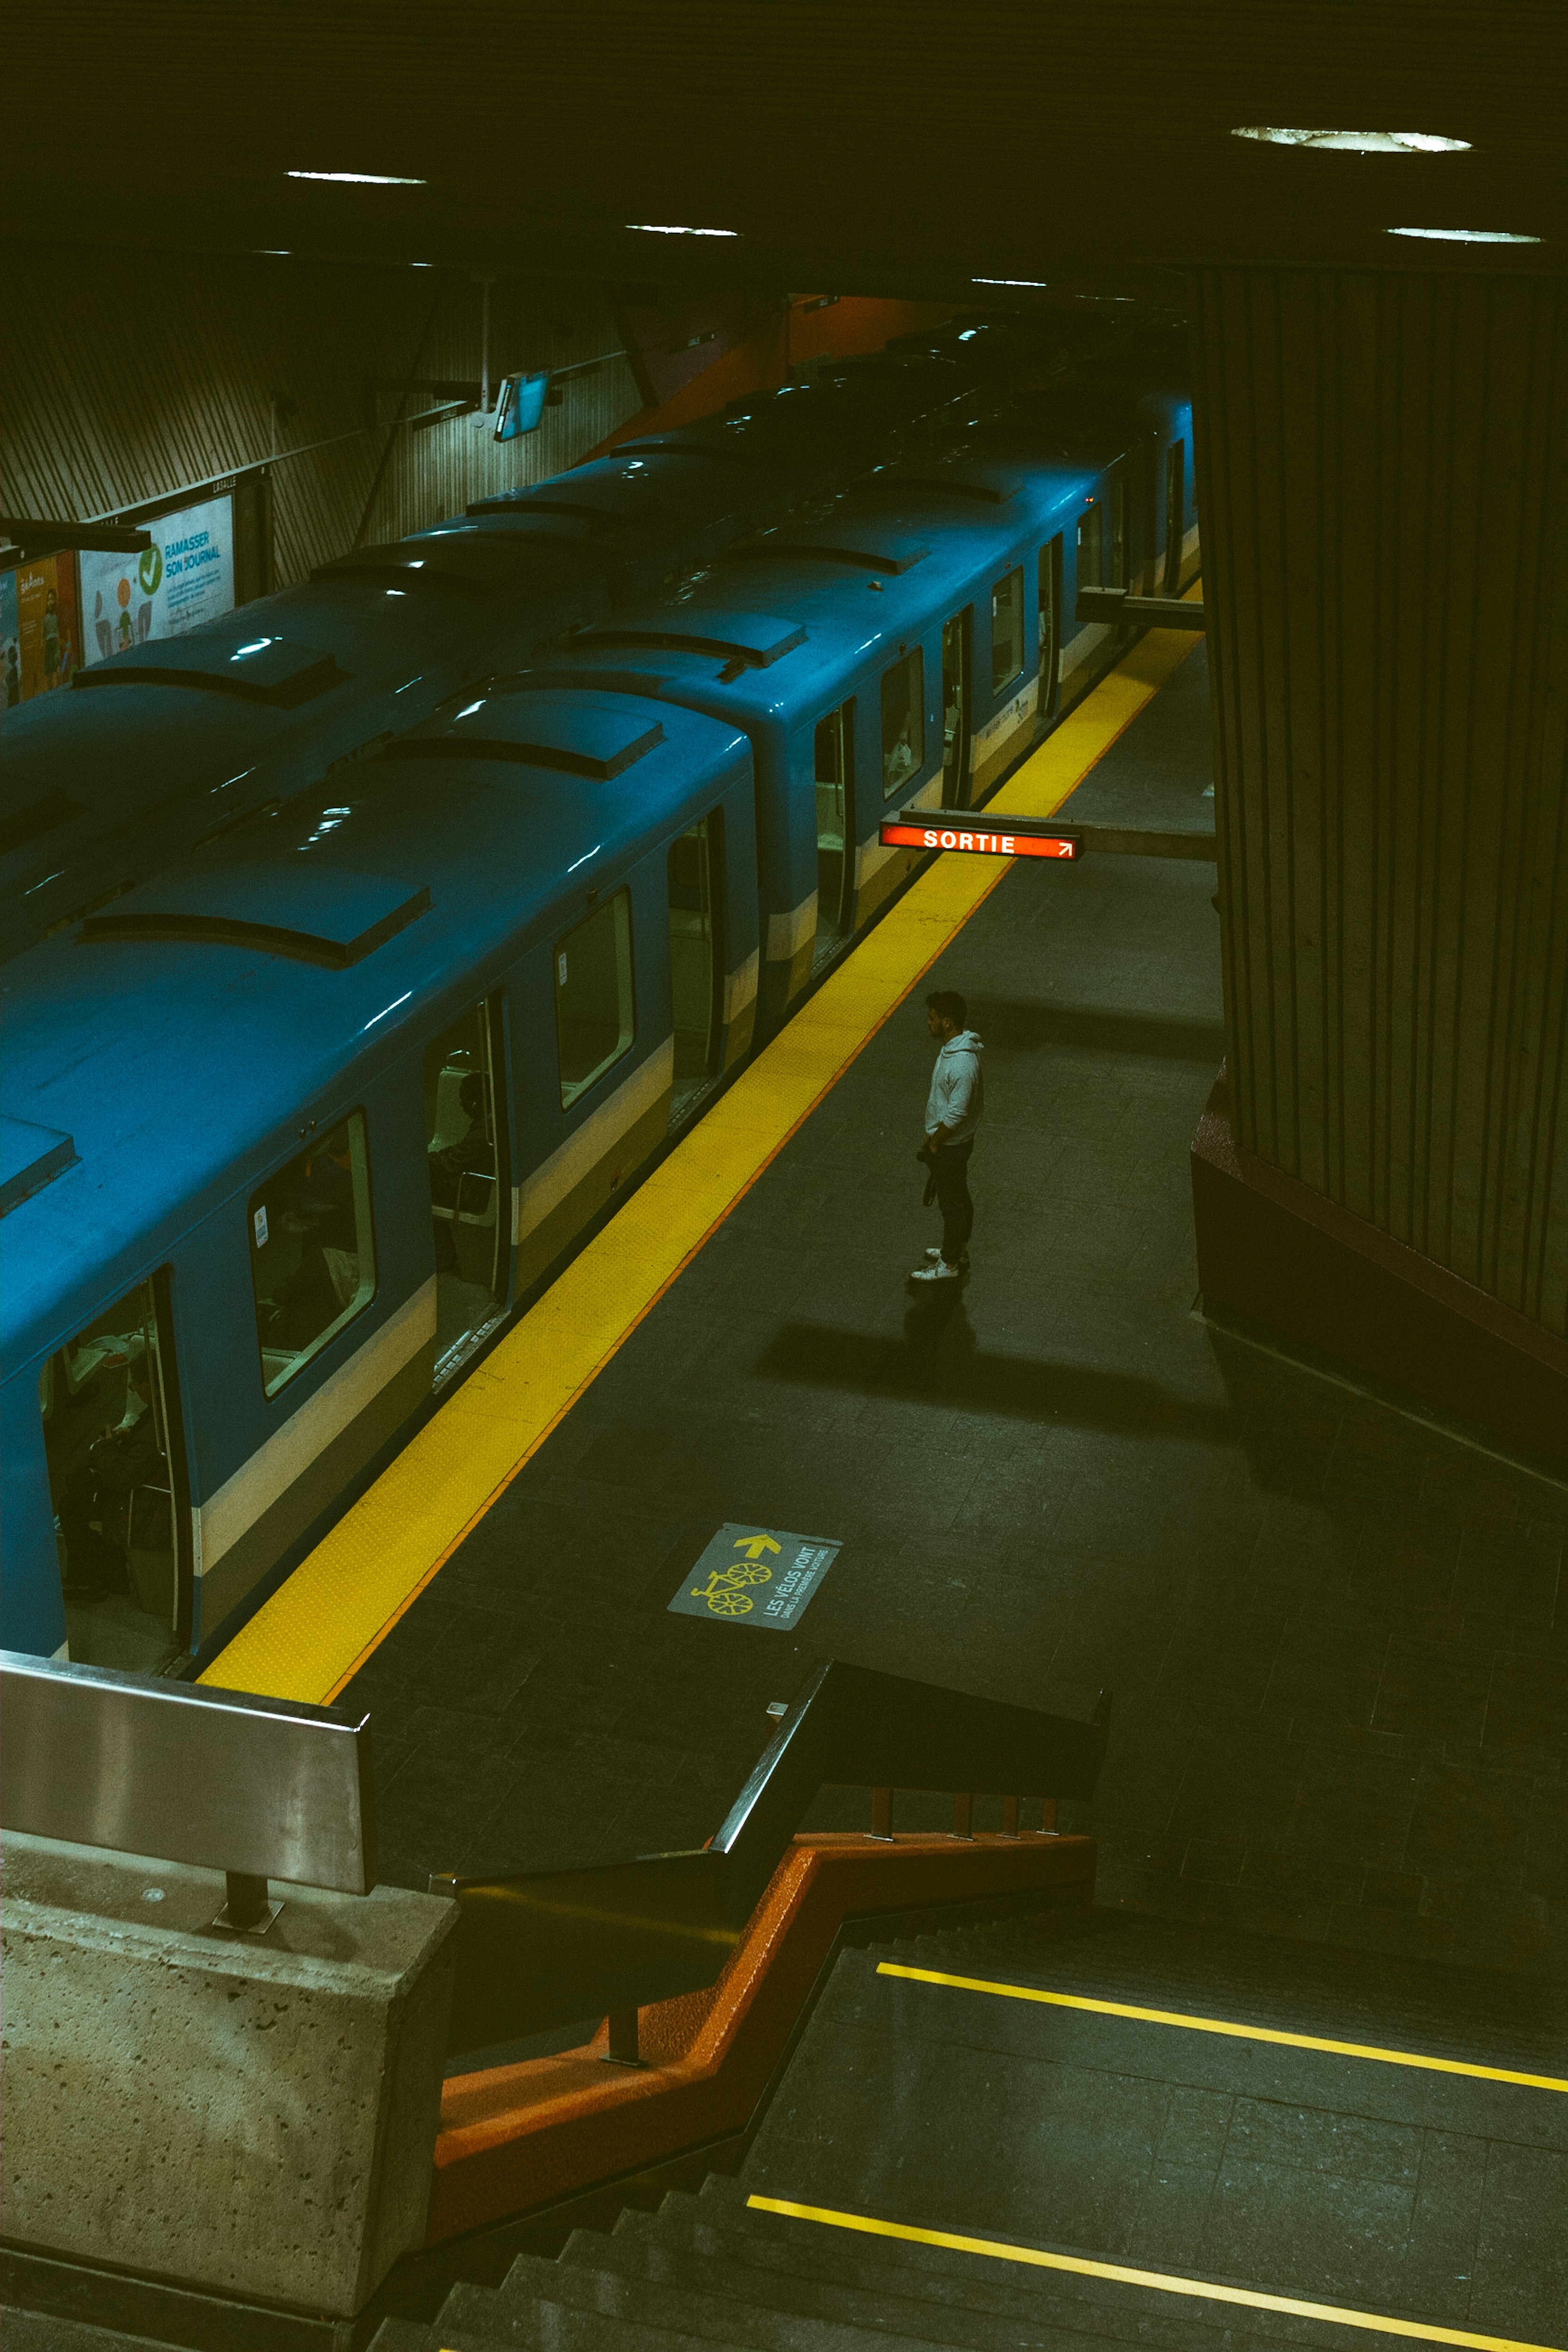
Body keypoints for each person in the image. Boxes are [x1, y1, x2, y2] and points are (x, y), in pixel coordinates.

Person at [58, 1358, 165, 1598]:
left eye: (135, 1386)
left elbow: (121, 1476)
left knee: (71, 1507)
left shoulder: (154, 1425)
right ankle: (108, 1568)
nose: (135, 1392)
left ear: (147, 1385)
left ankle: (88, 1580)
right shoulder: (166, 1409)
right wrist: (131, 1435)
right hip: (151, 1486)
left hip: (145, 1502)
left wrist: (104, 1447)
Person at [911, 989, 984, 1283]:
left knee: (951, 1205)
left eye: (933, 1019)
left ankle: (950, 1263)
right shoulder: (953, 1049)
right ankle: (958, 1250)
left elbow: (957, 1114)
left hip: (951, 1146)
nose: (928, 1023)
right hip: (951, 1143)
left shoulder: (962, 1065)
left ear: (948, 1023)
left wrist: (934, 1141)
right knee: (958, 1198)